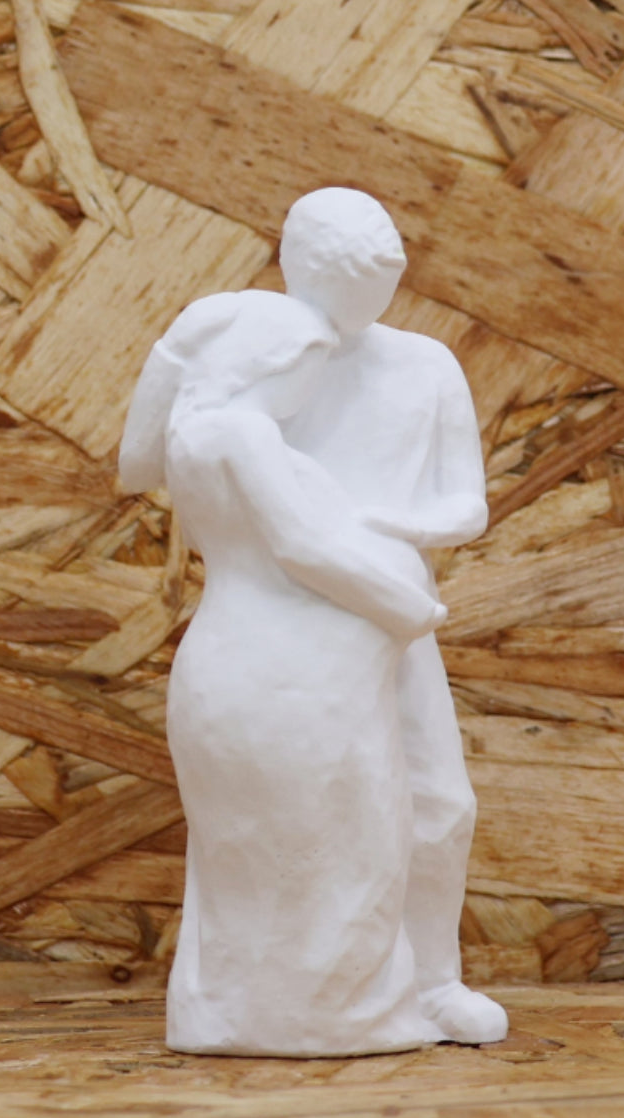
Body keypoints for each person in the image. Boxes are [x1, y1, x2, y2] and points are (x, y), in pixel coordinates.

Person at [120, 286, 450, 1056]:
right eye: (309, 366)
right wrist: (410, 610)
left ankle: (224, 1012)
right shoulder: (246, 432)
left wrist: (179, 345)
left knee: (249, 849)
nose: (311, 388)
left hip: (232, 659)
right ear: (269, 363)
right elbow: (304, 547)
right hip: (291, 672)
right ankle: (339, 1015)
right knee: (338, 840)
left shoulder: (188, 433)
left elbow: (133, 462)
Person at [279, 188, 508, 1045]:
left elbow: (466, 504)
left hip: (397, 613)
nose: (366, 305)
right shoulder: (265, 356)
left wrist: (389, 525)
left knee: (440, 801)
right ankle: (310, 989)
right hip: (291, 621)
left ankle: (432, 980)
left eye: (382, 283)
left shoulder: (425, 365)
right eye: (349, 285)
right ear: (296, 267)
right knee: (313, 807)